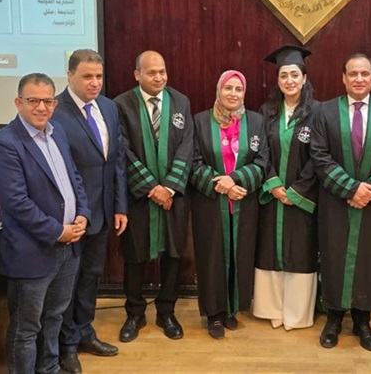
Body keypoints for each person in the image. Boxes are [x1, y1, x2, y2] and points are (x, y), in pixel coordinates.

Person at [0, 73, 91, 374]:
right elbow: (17, 203)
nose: (41, 107)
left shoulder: (57, 133)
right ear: (18, 102)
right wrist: (58, 231)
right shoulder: (5, 143)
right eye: (33, 101)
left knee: (54, 317)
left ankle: (49, 369)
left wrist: (82, 213)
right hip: (32, 253)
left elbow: (74, 179)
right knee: (26, 329)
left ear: (55, 104)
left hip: (68, 249)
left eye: (48, 101)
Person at [310, 53, 371, 352]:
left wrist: (369, 191)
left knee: (370, 259)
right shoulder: (326, 112)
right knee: (334, 256)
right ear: (343, 78)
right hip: (336, 202)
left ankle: (363, 321)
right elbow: (319, 155)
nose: (359, 79)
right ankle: (334, 319)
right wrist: (351, 189)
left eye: (365, 73)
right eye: (353, 73)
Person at [53, 49, 128, 373]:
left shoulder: (109, 107)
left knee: (91, 276)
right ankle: (66, 344)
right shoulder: (55, 111)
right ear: (70, 75)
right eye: (87, 76)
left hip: (104, 212)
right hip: (72, 217)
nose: (94, 82)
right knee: (68, 282)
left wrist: (120, 206)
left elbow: (117, 161)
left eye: (98, 76)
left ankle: (84, 332)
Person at [113, 51, 193, 342]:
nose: (159, 77)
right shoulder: (121, 105)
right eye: (151, 72)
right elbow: (122, 150)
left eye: (162, 71)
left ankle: (166, 312)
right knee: (135, 256)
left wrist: (169, 187)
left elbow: (187, 147)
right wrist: (152, 188)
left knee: (172, 255)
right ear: (137, 75)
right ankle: (134, 313)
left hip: (173, 197)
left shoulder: (180, 102)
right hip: (139, 197)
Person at [189, 69, 269, 339]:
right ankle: (214, 313)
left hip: (244, 202)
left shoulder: (256, 122)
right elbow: (194, 163)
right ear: (218, 90)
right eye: (228, 88)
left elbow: (263, 161)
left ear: (244, 93)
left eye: (238, 89)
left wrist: (234, 181)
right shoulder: (200, 121)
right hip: (210, 204)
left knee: (239, 255)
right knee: (212, 258)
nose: (233, 94)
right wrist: (222, 185)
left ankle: (232, 308)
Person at [253, 46, 320, 330]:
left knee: (300, 250)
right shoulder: (266, 112)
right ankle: (272, 308)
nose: (289, 80)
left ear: (304, 78)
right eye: (284, 75)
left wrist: (297, 190)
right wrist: (273, 185)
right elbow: (259, 152)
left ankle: (296, 313)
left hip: (303, 198)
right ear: (278, 80)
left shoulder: (318, 112)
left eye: (294, 74)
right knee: (270, 247)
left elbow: (320, 156)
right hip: (272, 195)